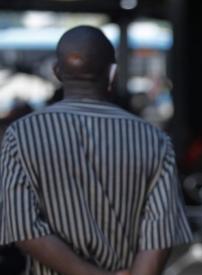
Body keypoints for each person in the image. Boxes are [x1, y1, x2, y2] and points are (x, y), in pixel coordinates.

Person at [0, 26, 192, 275]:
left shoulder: (20, 135)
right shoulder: (154, 139)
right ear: (112, 73)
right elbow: (159, 234)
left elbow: (22, 227)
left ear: (57, 72)